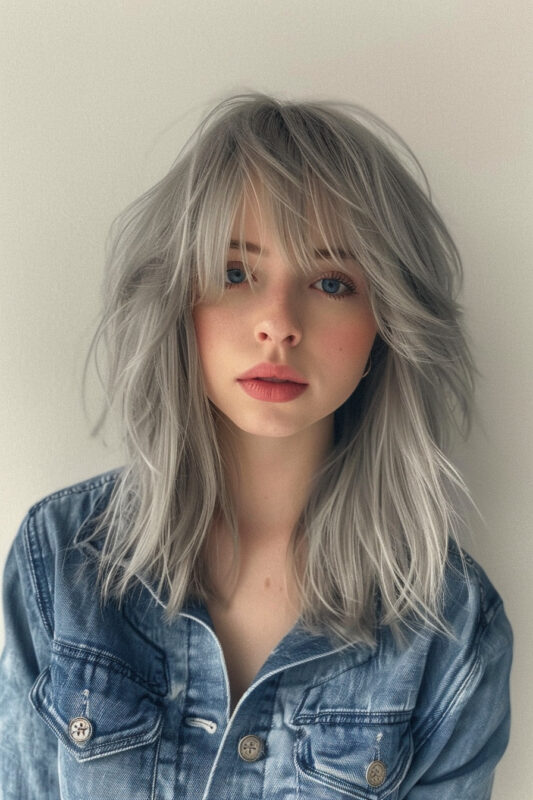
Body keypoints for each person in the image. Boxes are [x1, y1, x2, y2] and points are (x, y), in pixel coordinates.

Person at [0, 92, 512, 799]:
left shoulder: (450, 629)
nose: (277, 323)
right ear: (181, 299)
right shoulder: (60, 561)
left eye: (332, 282)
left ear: (385, 323)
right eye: (236, 272)